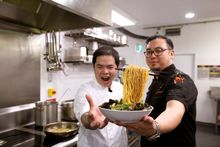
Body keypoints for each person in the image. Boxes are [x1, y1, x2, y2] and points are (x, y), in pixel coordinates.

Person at [116, 35, 198, 147]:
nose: (152, 55)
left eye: (158, 50)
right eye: (148, 52)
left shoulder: (180, 79)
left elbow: (174, 109)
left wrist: (155, 127)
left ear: (171, 53)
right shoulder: (156, 79)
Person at [73, 46, 127, 147]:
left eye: (110, 67)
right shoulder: (84, 90)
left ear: (117, 67)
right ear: (93, 67)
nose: (105, 71)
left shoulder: (122, 88)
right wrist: (89, 119)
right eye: (100, 66)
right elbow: (83, 116)